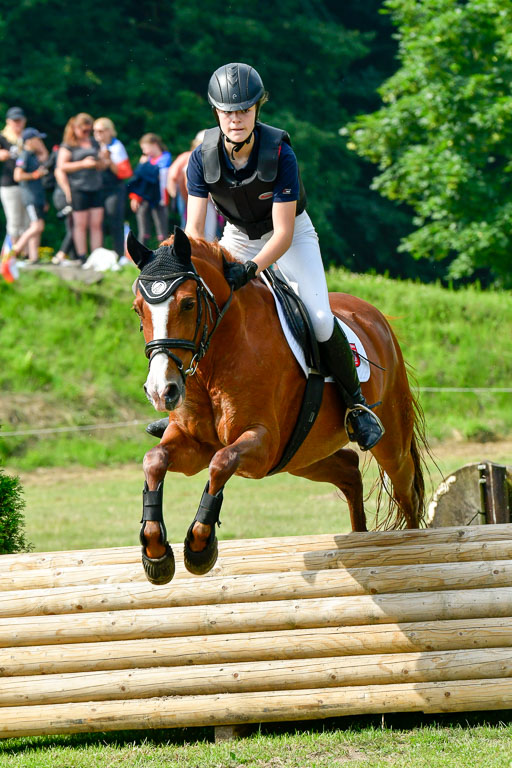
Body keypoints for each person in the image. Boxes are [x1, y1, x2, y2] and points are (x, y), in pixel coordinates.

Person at [185, 62, 384, 452]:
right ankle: (189, 406)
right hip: (238, 237)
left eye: (243, 110)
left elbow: (283, 232)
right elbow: (195, 231)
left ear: (258, 109)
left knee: (322, 319)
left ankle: (356, 407)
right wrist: (207, 269)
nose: (236, 119)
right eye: (228, 111)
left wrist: (251, 269)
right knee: (205, 310)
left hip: (290, 238)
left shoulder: (280, 154)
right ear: (216, 113)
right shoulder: (201, 157)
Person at [56, 113, 106, 264]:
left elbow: (102, 166)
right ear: (75, 128)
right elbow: (61, 166)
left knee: (96, 224)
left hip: (96, 186)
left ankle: (96, 256)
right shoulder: (68, 145)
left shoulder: (94, 143)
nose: (87, 134)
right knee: (80, 224)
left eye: (88, 131)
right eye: (84, 131)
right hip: (78, 188)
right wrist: (83, 164)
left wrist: (101, 161)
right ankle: (82, 256)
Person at [166, 129, 219, 241]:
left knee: (209, 228)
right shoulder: (188, 156)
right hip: (188, 197)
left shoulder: (215, 157)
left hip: (207, 198)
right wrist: (175, 194)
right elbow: (172, 175)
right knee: (189, 225)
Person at [93, 117, 132, 260]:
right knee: (97, 223)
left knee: (115, 220)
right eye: (95, 131)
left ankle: (120, 254)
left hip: (114, 188)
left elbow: (126, 172)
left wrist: (109, 161)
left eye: (101, 131)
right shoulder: (93, 146)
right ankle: (99, 255)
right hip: (97, 189)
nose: (97, 134)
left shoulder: (117, 147)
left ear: (109, 131)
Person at [10, 127, 49, 264]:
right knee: (37, 227)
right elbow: (17, 175)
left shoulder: (33, 155)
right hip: (30, 196)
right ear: (30, 141)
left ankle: (34, 258)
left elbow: (46, 156)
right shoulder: (24, 155)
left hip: (38, 196)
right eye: (37, 139)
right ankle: (13, 252)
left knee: (37, 226)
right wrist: (35, 175)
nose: (39, 142)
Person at [127, 133, 171, 245]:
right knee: (143, 228)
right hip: (145, 198)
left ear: (154, 144)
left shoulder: (165, 158)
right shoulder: (147, 160)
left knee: (162, 229)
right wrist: (135, 197)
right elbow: (139, 180)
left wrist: (143, 165)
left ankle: (164, 253)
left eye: (145, 148)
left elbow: (154, 173)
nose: (144, 152)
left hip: (160, 198)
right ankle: (141, 254)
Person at [0, 106, 29, 247]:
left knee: (27, 223)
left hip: (27, 185)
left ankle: (23, 256)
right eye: (14, 120)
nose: (17, 123)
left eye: (20, 120)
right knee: (14, 222)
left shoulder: (28, 137)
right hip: (9, 185)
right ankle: (9, 258)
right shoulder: (2, 138)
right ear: (8, 122)